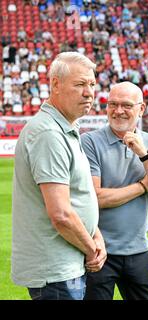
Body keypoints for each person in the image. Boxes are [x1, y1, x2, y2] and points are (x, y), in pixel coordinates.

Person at [11, 52, 106, 300]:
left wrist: (95, 233)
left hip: (65, 266)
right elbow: (61, 214)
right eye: (80, 84)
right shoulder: (48, 134)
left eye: (92, 85)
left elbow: (78, 195)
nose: (89, 93)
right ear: (55, 84)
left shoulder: (64, 129)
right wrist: (92, 249)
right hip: (56, 272)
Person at [81, 81, 148, 300]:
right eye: (112, 104)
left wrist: (144, 155)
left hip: (140, 250)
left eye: (126, 105)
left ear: (141, 109)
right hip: (98, 251)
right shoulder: (89, 142)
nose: (118, 111)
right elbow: (95, 198)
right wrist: (143, 185)